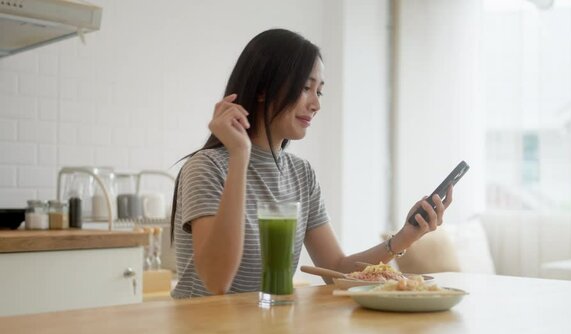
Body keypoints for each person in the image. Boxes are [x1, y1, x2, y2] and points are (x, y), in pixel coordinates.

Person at [170, 29, 453, 298]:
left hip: (266, 331)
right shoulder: (206, 168)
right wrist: (240, 154)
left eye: (319, 92)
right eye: (305, 87)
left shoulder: (301, 174)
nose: (316, 104)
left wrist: (404, 237)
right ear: (262, 89)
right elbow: (216, 282)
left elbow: (335, 269)